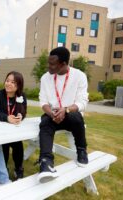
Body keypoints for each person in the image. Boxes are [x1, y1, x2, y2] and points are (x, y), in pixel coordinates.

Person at [37, 47, 89, 183]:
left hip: (70, 114)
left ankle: (82, 150)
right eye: (48, 62)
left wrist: (65, 110)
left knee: (76, 116)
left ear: (64, 64)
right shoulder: (45, 78)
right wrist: (51, 113)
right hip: (52, 115)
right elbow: (43, 101)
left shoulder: (79, 76)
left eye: (52, 64)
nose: (49, 66)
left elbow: (82, 102)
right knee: (45, 123)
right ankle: (46, 162)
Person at [0, 71, 27, 180]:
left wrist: (20, 116)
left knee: (18, 144)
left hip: (13, 130)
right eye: (7, 80)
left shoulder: (22, 96)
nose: (8, 83)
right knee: (3, 145)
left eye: (13, 82)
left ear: (18, 85)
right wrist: (7, 118)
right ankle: (2, 169)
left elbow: (23, 112)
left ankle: (18, 168)